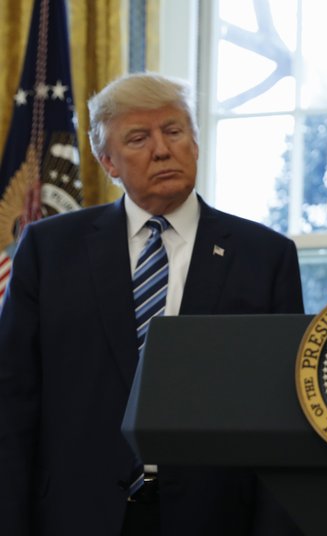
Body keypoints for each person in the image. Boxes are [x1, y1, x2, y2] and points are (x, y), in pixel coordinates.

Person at [0, 73, 303, 535]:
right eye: (138, 138)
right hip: (76, 514)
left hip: (215, 517)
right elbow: (13, 401)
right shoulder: (49, 250)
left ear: (195, 143)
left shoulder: (264, 256)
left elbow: (281, 415)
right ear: (108, 162)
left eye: (174, 131)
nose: (162, 149)